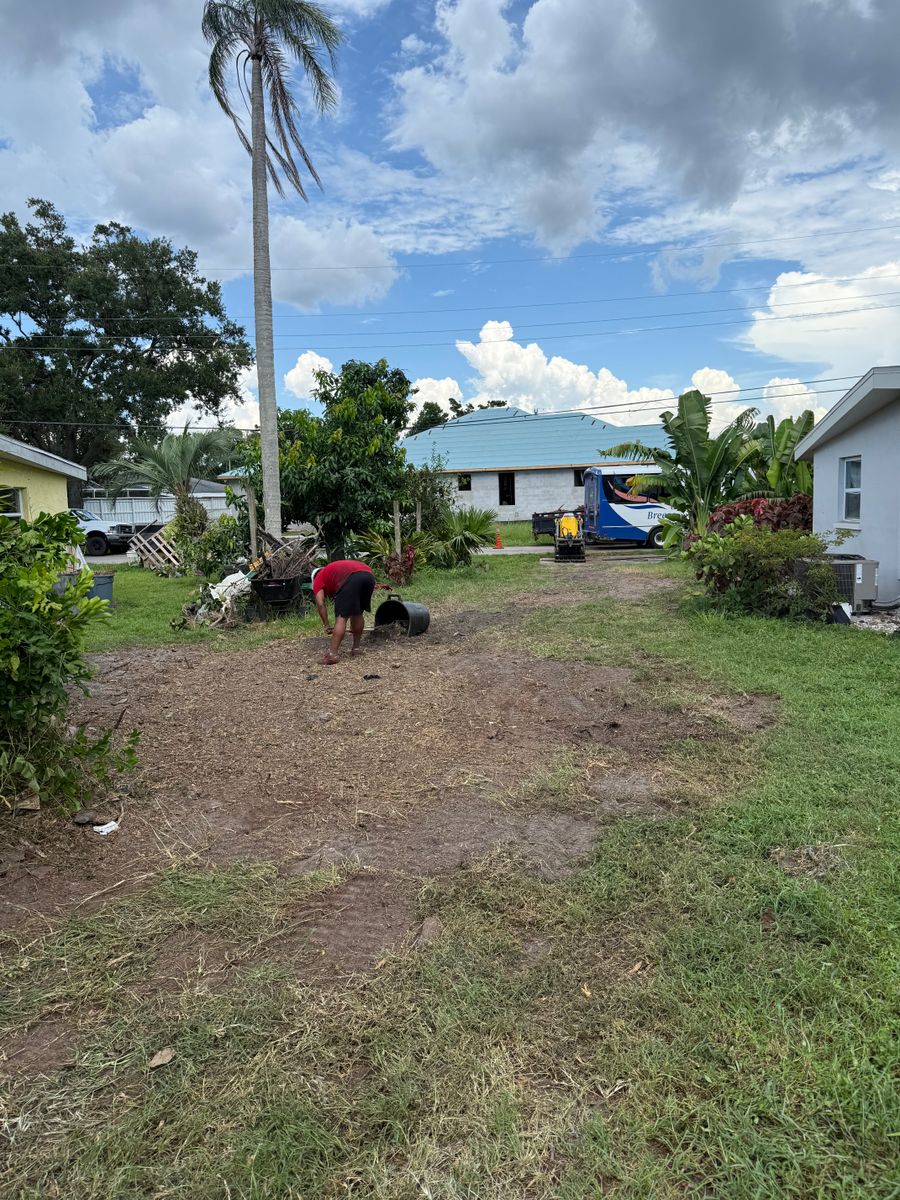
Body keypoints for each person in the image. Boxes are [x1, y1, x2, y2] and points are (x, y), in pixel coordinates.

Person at [311, 559, 377, 665]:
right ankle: (356, 648)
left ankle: (332, 655)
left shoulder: (319, 577)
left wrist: (327, 625)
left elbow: (320, 603)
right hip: (368, 575)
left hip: (351, 577)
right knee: (358, 612)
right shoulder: (332, 571)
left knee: (341, 617)